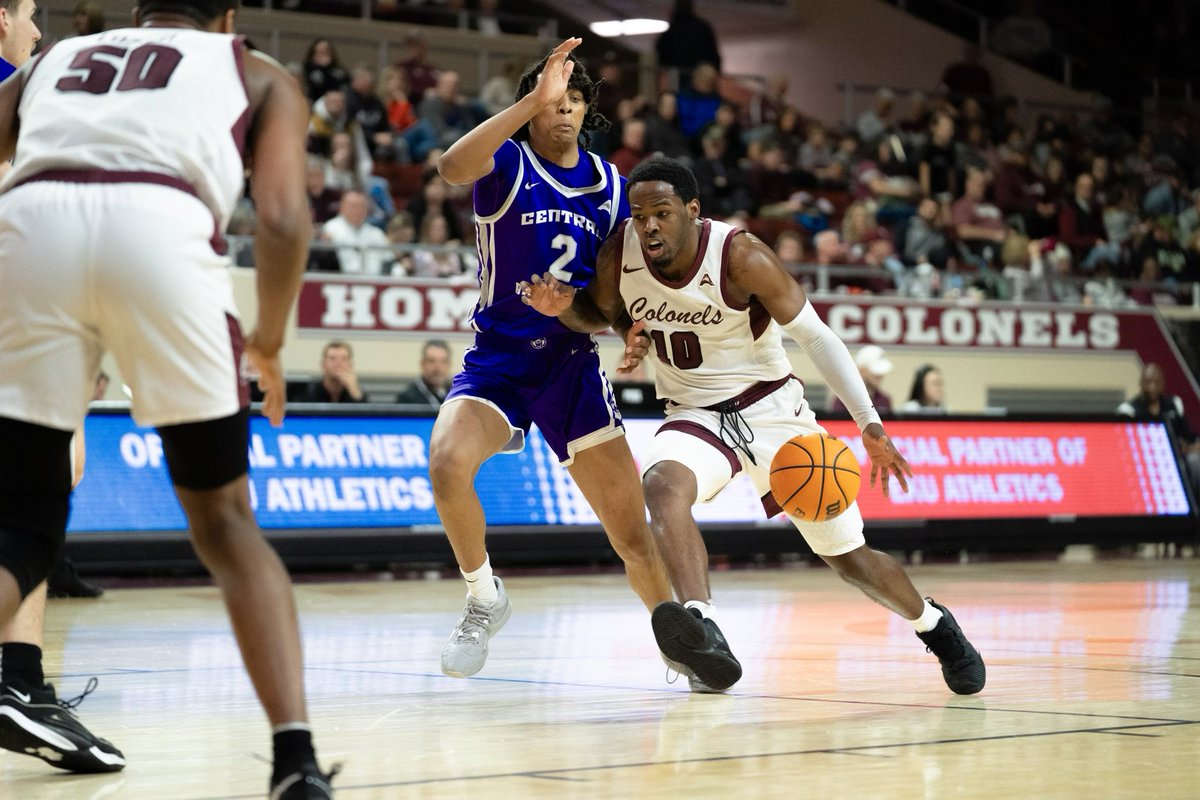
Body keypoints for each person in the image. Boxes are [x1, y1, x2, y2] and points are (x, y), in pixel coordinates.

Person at [0, 2, 336, 796]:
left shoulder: (60, 58)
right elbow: (285, 219)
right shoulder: (253, 69)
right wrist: (271, 344)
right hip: (162, 226)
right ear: (225, 16)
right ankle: (295, 763)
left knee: (18, 520)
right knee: (224, 523)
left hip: (32, 223)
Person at [521, 157, 985, 696]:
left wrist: (870, 424)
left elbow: (816, 338)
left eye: (662, 213)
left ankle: (934, 625)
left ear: (692, 212)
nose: (648, 225)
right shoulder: (619, 251)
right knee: (662, 486)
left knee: (850, 559)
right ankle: (703, 626)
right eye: (640, 213)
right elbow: (597, 313)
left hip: (772, 412)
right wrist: (562, 310)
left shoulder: (740, 257)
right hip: (694, 413)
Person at [432, 37, 671, 679]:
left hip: (569, 365)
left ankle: (681, 642)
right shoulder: (505, 162)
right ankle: (485, 598)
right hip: (500, 359)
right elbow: (452, 167)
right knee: (447, 461)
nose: (561, 110)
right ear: (531, 109)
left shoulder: (613, 187)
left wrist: (616, 323)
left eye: (571, 100)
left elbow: (604, 303)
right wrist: (525, 104)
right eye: (548, 101)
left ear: (585, 109)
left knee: (631, 534)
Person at [0, 0, 123, 775]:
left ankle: (19, 681)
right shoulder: (22, 94)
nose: (38, 34)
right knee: (41, 482)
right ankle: (18, 682)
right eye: (27, 16)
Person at [1117, 363, 1200, 494]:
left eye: (1157, 382)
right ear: (1141, 383)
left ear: (1163, 383)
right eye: (1148, 382)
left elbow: (1187, 436)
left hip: (1176, 458)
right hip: (1144, 460)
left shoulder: (1174, 404)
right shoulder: (1129, 410)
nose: (1152, 387)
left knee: (1195, 461)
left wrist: (1193, 446)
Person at [832, 345, 893, 416]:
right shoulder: (844, 398)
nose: (880, 375)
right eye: (875, 373)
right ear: (862, 370)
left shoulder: (884, 400)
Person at [298, 341, 366, 403]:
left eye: (344, 359)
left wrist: (355, 392)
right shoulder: (309, 394)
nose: (338, 363)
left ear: (351, 365)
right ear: (323, 365)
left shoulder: (357, 394)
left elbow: (366, 414)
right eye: (332, 358)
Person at [395, 340, 453, 409]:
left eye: (443, 362)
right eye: (432, 361)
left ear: (449, 365)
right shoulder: (407, 399)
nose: (438, 368)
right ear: (422, 364)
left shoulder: (457, 396)